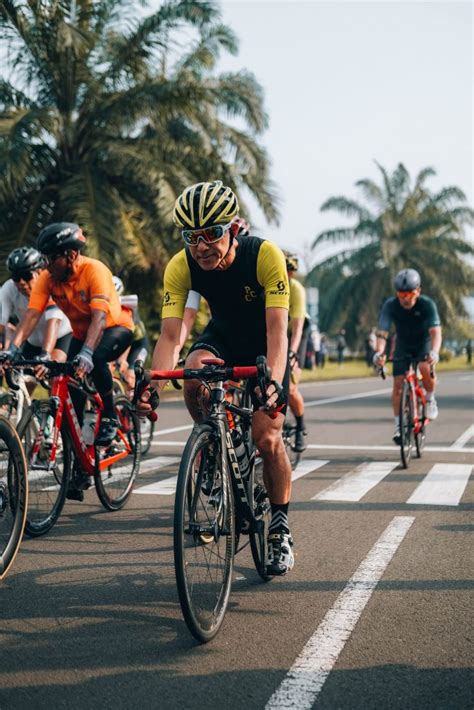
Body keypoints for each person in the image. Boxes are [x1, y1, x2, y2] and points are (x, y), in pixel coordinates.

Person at [138, 181, 294, 575]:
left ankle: (279, 527)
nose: (202, 246)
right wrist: (152, 385)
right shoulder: (181, 266)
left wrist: (273, 381)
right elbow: (172, 336)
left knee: (267, 437)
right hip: (222, 337)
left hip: (263, 345)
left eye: (213, 234)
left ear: (234, 230)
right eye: (192, 237)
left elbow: (277, 331)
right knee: (193, 374)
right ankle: (213, 443)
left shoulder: (264, 256)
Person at [1, 224, 133, 455]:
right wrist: (12, 349)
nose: (46, 264)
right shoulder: (48, 277)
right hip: (82, 335)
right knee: (70, 389)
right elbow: (32, 316)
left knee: (98, 358)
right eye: (44, 258)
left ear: (71, 255)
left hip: (114, 328)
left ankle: (111, 417)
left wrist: (87, 352)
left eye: (51, 258)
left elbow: (99, 318)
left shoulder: (95, 270)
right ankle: (79, 457)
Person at [373, 268, 442, 444]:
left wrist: (435, 352)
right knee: (397, 386)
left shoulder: (427, 305)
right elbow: (382, 333)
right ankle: (399, 427)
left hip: (423, 343)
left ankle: (430, 399)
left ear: (417, 291)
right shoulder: (391, 305)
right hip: (403, 345)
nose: (405, 298)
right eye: (401, 294)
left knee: (424, 367)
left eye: (409, 293)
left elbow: (435, 333)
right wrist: (379, 353)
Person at [0, 247, 72, 390]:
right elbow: (1, 322)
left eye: (26, 276)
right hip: (32, 342)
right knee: (23, 387)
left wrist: (46, 354)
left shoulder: (51, 284)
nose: (21, 282)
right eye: (16, 277)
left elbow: (53, 322)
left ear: (40, 272)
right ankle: (24, 412)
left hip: (60, 337)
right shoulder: (8, 289)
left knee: (54, 379)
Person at [284, 252, 309, 452]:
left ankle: (300, 426)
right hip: (276, 329)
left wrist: (292, 354)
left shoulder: (296, 289)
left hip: (296, 332)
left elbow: (297, 328)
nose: (287, 276)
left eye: (290, 273)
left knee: (290, 386)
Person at [112, 276, 150, 391]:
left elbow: (129, 338)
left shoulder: (128, 307)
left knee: (131, 376)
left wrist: (122, 359)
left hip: (138, 345)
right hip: (122, 343)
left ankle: (136, 401)